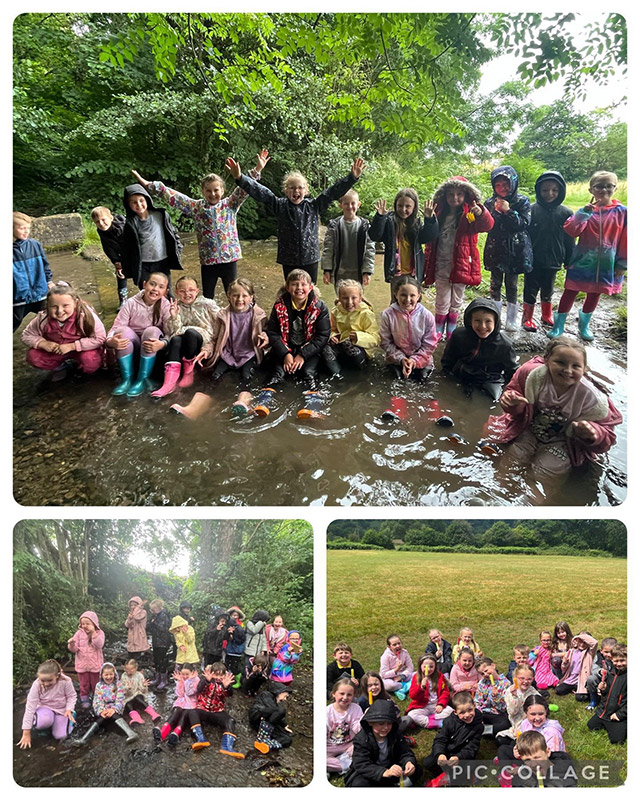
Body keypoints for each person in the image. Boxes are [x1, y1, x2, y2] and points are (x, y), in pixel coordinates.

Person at [132, 149, 268, 298]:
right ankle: (209, 320)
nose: (213, 194)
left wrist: (258, 169)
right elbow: (174, 197)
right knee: (207, 298)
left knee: (234, 294)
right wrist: (150, 185)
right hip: (208, 261)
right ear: (203, 191)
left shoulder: (230, 204)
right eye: (208, 191)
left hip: (229, 259)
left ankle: (232, 320)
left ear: (222, 190)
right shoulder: (196, 207)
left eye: (216, 190)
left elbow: (244, 189)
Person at [483, 337, 622, 479]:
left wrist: (593, 433)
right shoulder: (532, 376)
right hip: (530, 428)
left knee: (545, 471)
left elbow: (607, 434)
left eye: (576, 366)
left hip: (564, 441)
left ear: (584, 369)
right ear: (547, 361)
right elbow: (514, 397)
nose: (568, 370)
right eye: (560, 362)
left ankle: (531, 500)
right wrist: (513, 403)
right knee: (513, 458)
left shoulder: (593, 399)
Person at [229, 156, 366, 283]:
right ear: (286, 190)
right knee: (291, 290)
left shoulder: (313, 206)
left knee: (310, 291)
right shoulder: (279, 205)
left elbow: (333, 192)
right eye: (292, 188)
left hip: (310, 259)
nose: (296, 191)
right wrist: (240, 178)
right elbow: (261, 192)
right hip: (289, 260)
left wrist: (352, 177)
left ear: (306, 190)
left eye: (300, 188)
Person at [548, 171, 626, 341]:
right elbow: (571, 230)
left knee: (595, 293)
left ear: (615, 187)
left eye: (608, 186)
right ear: (591, 190)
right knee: (570, 291)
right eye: (599, 186)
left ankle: (584, 324)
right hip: (582, 261)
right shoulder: (585, 211)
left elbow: (627, 239)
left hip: (607, 263)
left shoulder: (622, 212)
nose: (604, 189)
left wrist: (622, 263)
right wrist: (583, 213)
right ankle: (559, 324)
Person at [423, 175, 494, 340]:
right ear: (444, 196)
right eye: (450, 194)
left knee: (457, 296)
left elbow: (487, 225)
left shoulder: (471, 214)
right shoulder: (439, 213)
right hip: (441, 261)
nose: (455, 198)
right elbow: (429, 235)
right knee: (442, 296)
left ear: (466, 195)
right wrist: (429, 218)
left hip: (462, 262)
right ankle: (439, 325)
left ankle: (452, 326)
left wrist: (481, 212)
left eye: (459, 194)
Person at [255, 270, 330, 419]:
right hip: (285, 346)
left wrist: (303, 355)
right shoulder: (279, 306)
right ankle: (263, 403)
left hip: (310, 348)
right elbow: (273, 333)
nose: (299, 288)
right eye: (295, 284)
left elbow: (323, 336)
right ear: (288, 288)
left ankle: (313, 407)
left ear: (310, 287)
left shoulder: (320, 307)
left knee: (309, 373)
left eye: (303, 284)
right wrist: (285, 354)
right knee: (277, 373)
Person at [150, 275, 219, 399]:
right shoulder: (177, 307)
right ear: (176, 292)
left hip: (202, 341)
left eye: (191, 290)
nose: (187, 294)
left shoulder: (207, 304)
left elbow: (220, 320)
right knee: (176, 339)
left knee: (190, 332)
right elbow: (172, 332)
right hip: (183, 342)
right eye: (182, 291)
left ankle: (189, 372)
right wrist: (174, 316)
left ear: (197, 291)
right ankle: (169, 382)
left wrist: (212, 345)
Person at [22, 283, 106, 381]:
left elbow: (100, 338)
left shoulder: (85, 316)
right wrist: (43, 343)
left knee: (90, 361)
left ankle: (80, 365)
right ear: (47, 306)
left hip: (82, 349)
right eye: (54, 306)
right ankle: (61, 366)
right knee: (33, 356)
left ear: (75, 303)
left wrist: (72, 346)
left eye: (65, 305)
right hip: (56, 350)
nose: (60, 311)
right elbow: (27, 334)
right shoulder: (43, 318)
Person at [523, 171, 575, 330]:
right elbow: (525, 237)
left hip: (554, 259)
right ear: (539, 191)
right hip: (533, 260)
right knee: (530, 288)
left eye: (554, 190)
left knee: (548, 288)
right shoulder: (531, 210)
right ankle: (527, 317)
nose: (549, 193)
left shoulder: (566, 213)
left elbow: (570, 239)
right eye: (545, 190)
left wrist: (569, 259)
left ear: (561, 191)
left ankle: (546, 314)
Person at [483, 165, 532, 331]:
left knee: (512, 285)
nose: (502, 188)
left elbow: (523, 224)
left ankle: (511, 319)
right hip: (495, 248)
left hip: (516, 251)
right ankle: (494, 317)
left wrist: (509, 211)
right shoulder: (489, 203)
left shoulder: (522, 201)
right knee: (495, 283)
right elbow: (487, 225)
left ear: (513, 183)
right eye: (498, 185)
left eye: (506, 184)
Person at [106, 271, 171, 396]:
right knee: (122, 331)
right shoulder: (131, 303)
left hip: (152, 346)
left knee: (151, 331)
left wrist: (163, 344)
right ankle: (127, 379)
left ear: (165, 291)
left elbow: (171, 331)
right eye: (152, 284)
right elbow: (117, 326)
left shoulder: (165, 305)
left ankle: (143, 378)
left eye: (161, 287)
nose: (155, 289)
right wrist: (110, 341)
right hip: (133, 344)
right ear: (145, 284)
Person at [441, 297, 518, 401]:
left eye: (488, 321)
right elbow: (447, 360)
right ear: (469, 321)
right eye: (477, 321)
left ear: (496, 323)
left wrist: (511, 391)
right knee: (453, 397)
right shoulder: (458, 336)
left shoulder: (505, 344)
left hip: (491, 378)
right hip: (464, 373)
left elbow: (513, 371)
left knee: (494, 400)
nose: (482, 326)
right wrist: (448, 378)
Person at [368, 188, 439, 297]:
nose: (403, 209)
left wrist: (429, 220)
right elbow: (375, 236)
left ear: (414, 207)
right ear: (395, 205)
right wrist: (380, 217)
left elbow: (429, 237)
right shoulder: (389, 221)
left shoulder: (417, 223)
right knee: (397, 299)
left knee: (413, 300)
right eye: (400, 206)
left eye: (408, 206)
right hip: (396, 271)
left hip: (413, 272)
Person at [345, 698, 422, 787]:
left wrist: (409, 762)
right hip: (372, 773)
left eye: (389, 723)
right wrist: (384, 772)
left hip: (392, 768)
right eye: (381, 724)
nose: (386, 727)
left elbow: (405, 752)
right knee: (359, 784)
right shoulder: (361, 739)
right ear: (370, 722)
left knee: (417, 770)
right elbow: (361, 763)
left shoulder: (395, 734)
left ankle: (396, 784)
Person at [379, 276, 437, 390]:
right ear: (395, 294)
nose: (407, 299)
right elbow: (385, 342)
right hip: (396, 358)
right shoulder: (387, 315)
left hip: (422, 359)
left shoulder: (427, 316)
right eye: (403, 295)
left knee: (423, 381)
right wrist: (401, 359)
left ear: (419, 295)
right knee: (396, 381)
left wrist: (414, 360)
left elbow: (430, 344)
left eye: (412, 295)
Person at [120, 183, 183, 289]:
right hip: (143, 264)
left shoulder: (160, 215)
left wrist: (178, 249)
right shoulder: (130, 223)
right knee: (146, 292)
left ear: (147, 200)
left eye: (141, 200)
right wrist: (125, 267)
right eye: (134, 202)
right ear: (128, 205)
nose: (139, 205)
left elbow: (173, 233)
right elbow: (126, 247)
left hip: (162, 261)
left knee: (166, 291)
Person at [422, 691, 483, 787]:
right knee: (428, 763)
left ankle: (450, 778)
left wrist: (459, 757)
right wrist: (440, 754)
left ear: (474, 706)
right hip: (448, 752)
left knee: (469, 766)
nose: (467, 715)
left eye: (470, 710)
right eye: (462, 712)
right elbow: (440, 740)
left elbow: (472, 747)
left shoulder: (478, 725)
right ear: (455, 712)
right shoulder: (449, 722)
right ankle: (451, 775)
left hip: (462, 756)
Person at [323, 279, 380, 376]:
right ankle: (337, 374)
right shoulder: (335, 312)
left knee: (348, 344)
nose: (349, 302)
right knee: (325, 348)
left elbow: (376, 339)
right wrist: (334, 336)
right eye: (345, 298)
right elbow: (332, 329)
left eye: (354, 298)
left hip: (360, 350)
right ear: (339, 298)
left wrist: (359, 337)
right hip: (341, 347)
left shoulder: (366, 314)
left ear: (360, 298)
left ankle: (360, 372)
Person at [74, 662, 139, 746]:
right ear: (102, 675)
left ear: (114, 674)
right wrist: (101, 711)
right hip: (104, 710)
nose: (109, 677)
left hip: (115, 711)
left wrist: (113, 709)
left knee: (114, 715)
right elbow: (97, 700)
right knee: (100, 719)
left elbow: (120, 700)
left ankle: (131, 733)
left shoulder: (118, 684)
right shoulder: (98, 686)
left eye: (111, 674)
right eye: (106, 675)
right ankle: (83, 739)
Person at [321, 189, 375, 289]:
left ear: (358, 204)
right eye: (346, 204)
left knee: (357, 300)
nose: (350, 207)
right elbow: (328, 250)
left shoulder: (365, 226)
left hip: (359, 273)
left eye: (353, 203)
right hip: (340, 272)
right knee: (342, 300)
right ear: (340, 205)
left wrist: (367, 271)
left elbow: (370, 251)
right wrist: (327, 270)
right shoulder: (334, 226)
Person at [17, 660, 76, 749]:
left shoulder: (66, 681)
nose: (46, 683)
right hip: (44, 708)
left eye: (49, 680)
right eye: (42, 680)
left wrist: (69, 709)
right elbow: (30, 708)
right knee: (43, 722)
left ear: (57, 675)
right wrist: (26, 732)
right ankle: (45, 726)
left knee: (60, 736)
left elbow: (71, 696)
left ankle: (69, 717)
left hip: (61, 709)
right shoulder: (36, 685)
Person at [13, 211, 53, 332]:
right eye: (22, 228)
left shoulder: (35, 245)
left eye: (28, 228)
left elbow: (45, 264)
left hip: (40, 294)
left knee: (51, 319)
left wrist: (49, 281)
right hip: (17, 298)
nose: (26, 231)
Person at [196, 662, 245, 758]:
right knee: (191, 712)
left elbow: (230, 695)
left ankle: (226, 746)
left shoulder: (224, 683)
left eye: (221, 675)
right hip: (202, 709)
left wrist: (226, 687)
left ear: (224, 675)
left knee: (230, 721)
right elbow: (199, 690)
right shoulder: (207, 679)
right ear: (212, 673)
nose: (218, 677)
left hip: (216, 711)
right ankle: (200, 738)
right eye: (216, 674)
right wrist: (206, 680)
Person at [152, 663, 202, 747]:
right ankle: (162, 733)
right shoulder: (181, 679)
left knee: (184, 715)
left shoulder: (196, 680)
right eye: (183, 674)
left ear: (192, 672)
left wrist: (188, 681)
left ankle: (176, 734)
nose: (185, 676)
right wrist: (179, 682)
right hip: (181, 701)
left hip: (191, 703)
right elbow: (180, 694)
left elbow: (190, 693)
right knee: (176, 711)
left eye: (187, 674)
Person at [587, 643, 626, 744]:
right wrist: (603, 689)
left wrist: (620, 715)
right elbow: (607, 693)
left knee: (617, 740)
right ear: (612, 660)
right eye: (616, 661)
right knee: (591, 726)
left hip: (618, 714)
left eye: (622, 660)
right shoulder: (611, 672)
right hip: (604, 711)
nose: (619, 664)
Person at [509, 730, 577, 788]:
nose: (533, 764)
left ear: (547, 752)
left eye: (537, 757)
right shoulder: (523, 776)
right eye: (527, 760)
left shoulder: (564, 772)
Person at [402, 653, 453, 731]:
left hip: (436, 705)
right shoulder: (416, 677)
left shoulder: (440, 677)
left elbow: (445, 692)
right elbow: (412, 696)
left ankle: (434, 720)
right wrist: (421, 687)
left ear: (435, 667)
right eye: (425, 667)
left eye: (431, 666)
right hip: (423, 706)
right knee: (411, 715)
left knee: (451, 711)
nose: (428, 669)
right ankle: (433, 722)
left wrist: (441, 704)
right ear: (420, 666)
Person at [91, 206, 129, 307]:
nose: (101, 224)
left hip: (133, 253)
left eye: (103, 220)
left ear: (111, 218)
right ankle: (123, 301)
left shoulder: (123, 227)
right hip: (120, 254)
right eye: (97, 222)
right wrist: (116, 262)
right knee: (120, 275)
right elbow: (107, 248)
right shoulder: (102, 232)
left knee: (141, 277)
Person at [67, 610, 105, 709]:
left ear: (94, 623)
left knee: (96, 684)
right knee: (84, 684)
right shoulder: (79, 633)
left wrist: (93, 633)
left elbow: (99, 645)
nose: (84, 626)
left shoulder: (99, 633)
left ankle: (97, 698)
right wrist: (71, 644)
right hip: (82, 664)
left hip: (95, 665)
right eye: (83, 623)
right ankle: (85, 698)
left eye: (87, 623)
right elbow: (75, 650)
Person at [326, 677, 363, 774]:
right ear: (334, 694)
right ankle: (345, 765)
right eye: (342, 694)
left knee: (363, 749)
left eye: (349, 695)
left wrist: (364, 719)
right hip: (330, 747)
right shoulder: (327, 712)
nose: (345, 697)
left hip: (348, 745)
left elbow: (357, 729)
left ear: (353, 696)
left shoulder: (356, 709)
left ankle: (337, 765)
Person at [249, 681, 294, 753]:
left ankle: (267, 745)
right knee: (280, 710)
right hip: (258, 717)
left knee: (288, 739)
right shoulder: (266, 695)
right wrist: (284, 724)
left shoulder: (276, 706)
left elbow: (275, 713)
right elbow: (273, 710)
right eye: (285, 696)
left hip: (267, 723)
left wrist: (284, 727)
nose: (285, 699)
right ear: (279, 692)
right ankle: (262, 739)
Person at [474, 656, 511, 734]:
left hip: (496, 714)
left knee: (505, 724)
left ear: (493, 666)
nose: (485, 674)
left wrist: (496, 698)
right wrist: (479, 715)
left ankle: (484, 731)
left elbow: (503, 708)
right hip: (483, 712)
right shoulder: (482, 683)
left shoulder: (505, 684)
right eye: (482, 673)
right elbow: (477, 701)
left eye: (486, 671)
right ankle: (482, 729)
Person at [556, 631, 598, 699]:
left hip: (581, 681)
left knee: (581, 698)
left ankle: (579, 690)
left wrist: (581, 636)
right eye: (580, 641)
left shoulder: (589, 652)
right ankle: (574, 689)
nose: (582, 644)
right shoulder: (571, 652)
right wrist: (564, 663)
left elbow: (595, 642)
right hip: (571, 680)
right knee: (558, 690)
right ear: (576, 641)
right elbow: (564, 669)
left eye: (584, 642)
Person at [121, 658, 160, 727]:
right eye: (127, 669)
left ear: (136, 668)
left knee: (138, 698)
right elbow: (122, 690)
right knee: (128, 704)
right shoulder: (124, 676)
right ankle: (136, 718)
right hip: (128, 697)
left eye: (131, 669)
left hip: (138, 695)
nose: (128, 671)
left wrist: (144, 686)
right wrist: (128, 688)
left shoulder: (139, 675)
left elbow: (144, 691)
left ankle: (154, 714)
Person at [147, 599, 173, 692]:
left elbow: (163, 628)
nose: (152, 612)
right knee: (156, 660)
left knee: (162, 661)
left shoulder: (164, 615)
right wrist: (151, 622)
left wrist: (154, 622)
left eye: (153, 610)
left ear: (159, 608)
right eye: (151, 610)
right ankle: (157, 678)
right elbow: (148, 627)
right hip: (156, 641)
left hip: (163, 642)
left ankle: (163, 679)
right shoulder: (155, 616)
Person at [585, 636, 617, 710]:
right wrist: (599, 671)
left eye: (611, 652)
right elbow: (593, 668)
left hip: (612, 680)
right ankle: (593, 699)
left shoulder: (617, 658)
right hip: (600, 678)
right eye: (606, 652)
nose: (608, 655)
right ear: (601, 650)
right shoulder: (598, 657)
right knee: (591, 679)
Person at [379, 634, 414, 699]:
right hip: (389, 679)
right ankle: (405, 686)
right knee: (388, 686)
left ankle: (401, 689)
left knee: (419, 675)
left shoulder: (404, 653)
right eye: (394, 645)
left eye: (399, 643)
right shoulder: (385, 656)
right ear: (389, 647)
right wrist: (396, 670)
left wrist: (402, 676)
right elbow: (384, 674)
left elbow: (410, 667)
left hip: (403, 676)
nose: (398, 646)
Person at [224, 606, 247, 685]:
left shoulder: (240, 627)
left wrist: (232, 635)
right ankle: (228, 679)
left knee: (234, 666)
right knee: (227, 664)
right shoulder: (230, 626)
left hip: (236, 651)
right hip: (229, 650)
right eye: (232, 615)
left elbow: (240, 640)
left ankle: (238, 681)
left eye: (236, 615)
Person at [125, 596, 150, 660]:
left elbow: (137, 617)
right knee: (130, 657)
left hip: (139, 636)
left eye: (135, 605)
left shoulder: (143, 612)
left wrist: (139, 607)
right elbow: (127, 625)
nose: (132, 607)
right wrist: (130, 619)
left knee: (137, 657)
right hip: (131, 637)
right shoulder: (131, 613)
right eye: (131, 605)